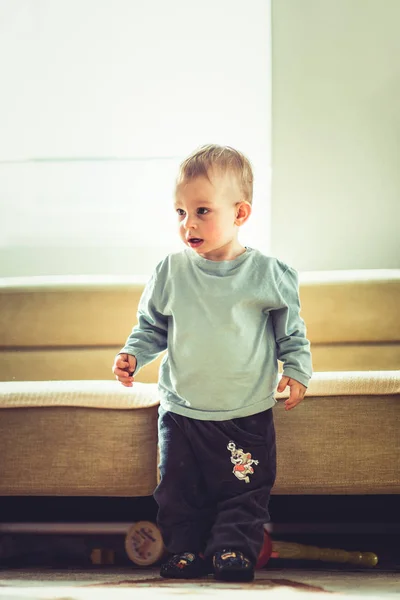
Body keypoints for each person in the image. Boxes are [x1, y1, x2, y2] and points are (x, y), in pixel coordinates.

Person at [112, 144, 312, 582]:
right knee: (177, 493)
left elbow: (291, 332)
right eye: (180, 212)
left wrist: (297, 370)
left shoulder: (267, 273)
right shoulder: (171, 271)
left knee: (244, 491)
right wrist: (133, 354)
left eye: (202, 211)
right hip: (182, 412)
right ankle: (184, 551)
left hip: (245, 413)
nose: (189, 224)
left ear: (240, 214)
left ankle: (232, 551)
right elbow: (151, 327)